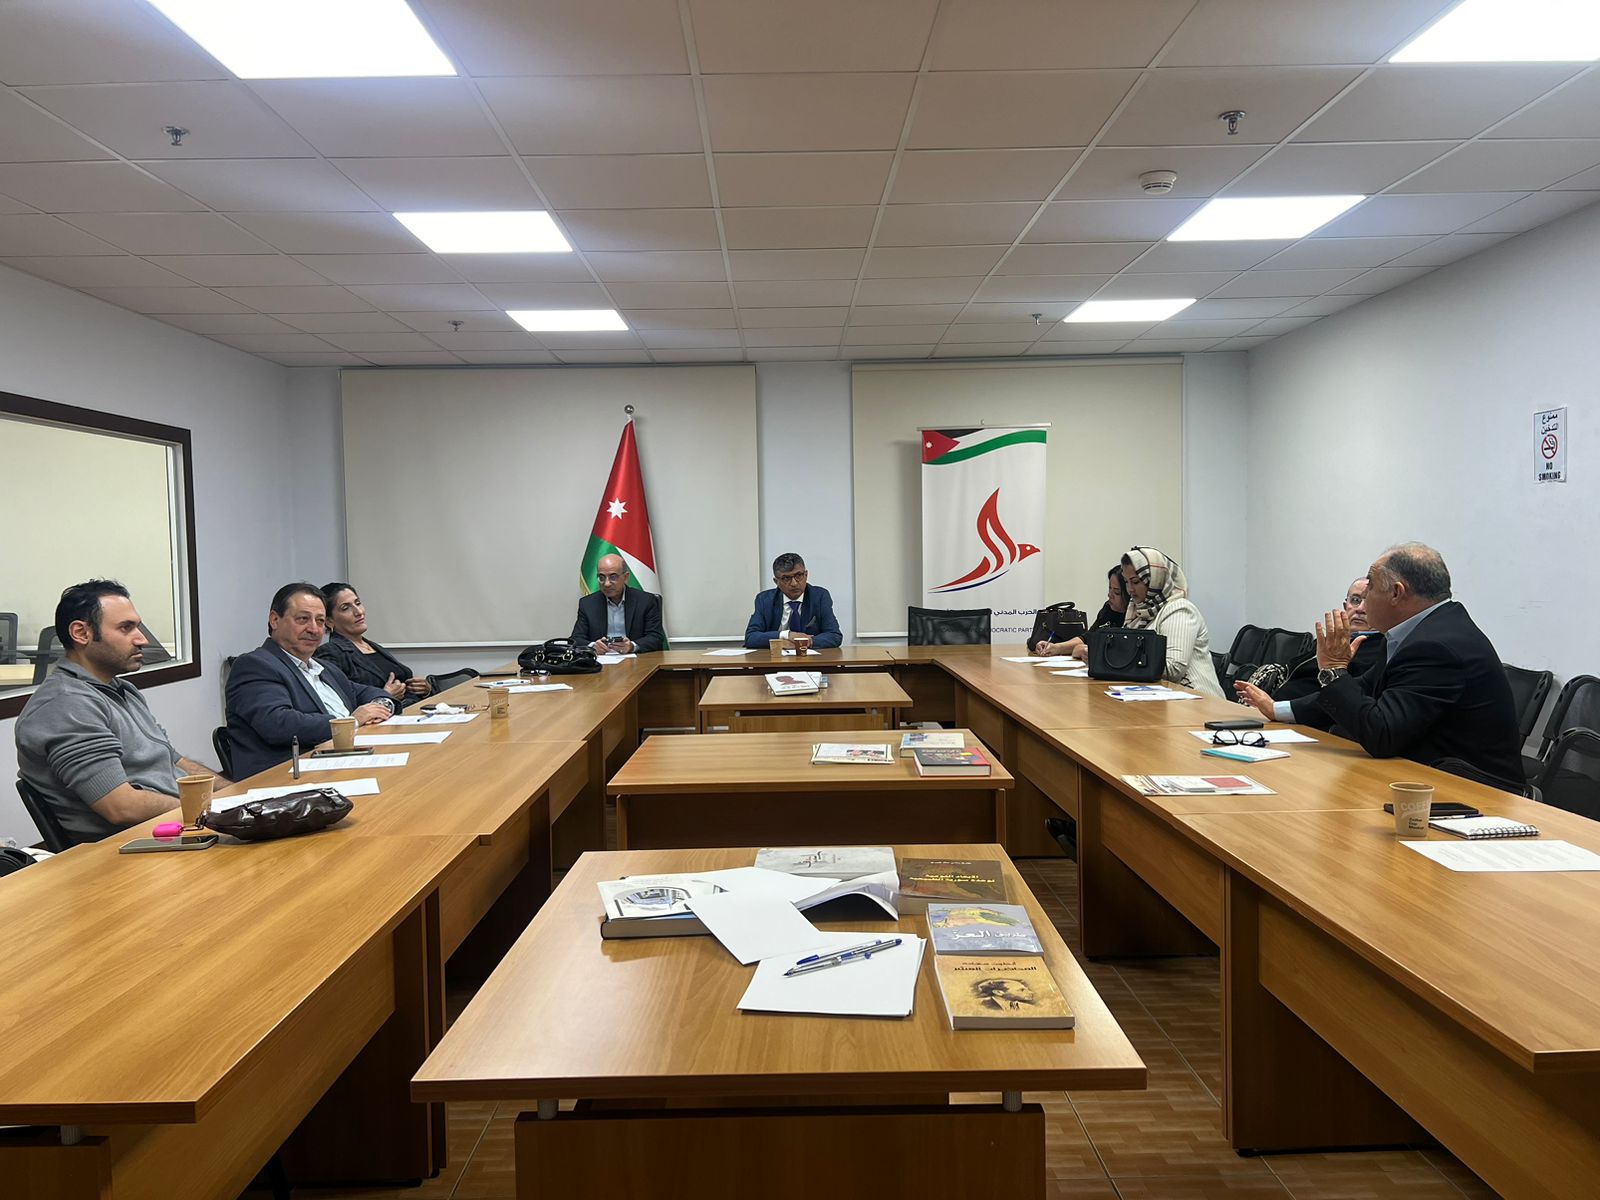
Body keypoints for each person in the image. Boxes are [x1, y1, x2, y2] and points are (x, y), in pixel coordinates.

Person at [1235, 543, 1522, 786]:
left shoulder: (1436, 646)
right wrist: (1278, 709)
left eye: (1369, 588)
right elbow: (1363, 688)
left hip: (1472, 794)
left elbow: (1381, 734)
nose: (1362, 603)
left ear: (1396, 593)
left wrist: (1334, 669)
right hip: (1423, 777)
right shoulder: (1417, 631)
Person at [15, 580, 227, 843]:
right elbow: (121, 807)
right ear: (81, 633)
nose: (142, 639)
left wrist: (234, 794)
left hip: (179, 827)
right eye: (126, 628)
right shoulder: (65, 705)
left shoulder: (121, 690)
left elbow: (172, 760)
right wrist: (208, 813)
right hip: (132, 847)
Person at [225, 582, 395, 779]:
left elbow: (364, 692)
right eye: (303, 619)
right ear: (275, 620)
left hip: (344, 763)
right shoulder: (255, 665)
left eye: (320, 621)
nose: (314, 629)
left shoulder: (323, 667)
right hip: (289, 777)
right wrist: (351, 722)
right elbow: (278, 723)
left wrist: (381, 706)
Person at [1045, 547, 1225, 699]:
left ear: (1155, 579)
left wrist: (1106, 660)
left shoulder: (1179, 609)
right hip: (1155, 697)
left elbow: (1172, 670)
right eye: (1127, 582)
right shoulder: (1137, 611)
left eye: (1136, 582)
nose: (1130, 589)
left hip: (1196, 701)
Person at [1269, 576, 1385, 707]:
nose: (1360, 609)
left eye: (1370, 602)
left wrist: (1279, 709)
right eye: (1355, 600)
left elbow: (1348, 696)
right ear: (1345, 606)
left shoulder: (1382, 648)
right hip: (1274, 706)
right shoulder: (1330, 639)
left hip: (1303, 714)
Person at [316, 583, 432, 709]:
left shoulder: (372, 646)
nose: (358, 612)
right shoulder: (329, 653)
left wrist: (425, 690)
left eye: (358, 603)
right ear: (329, 621)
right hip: (384, 718)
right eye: (345, 608)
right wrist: (384, 696)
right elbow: (339, 703)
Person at [743, 553, 842, 650]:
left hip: (810, 657)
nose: (794, 583)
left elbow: (834, 635)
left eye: (798, 575)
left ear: (806, 575)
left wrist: (806, 641)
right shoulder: (765, 599)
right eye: (786, 578)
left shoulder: (819, 596)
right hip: (775, 657)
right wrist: (786, 635)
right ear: (776, 581)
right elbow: (751, 637)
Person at [571, 553, 666, 654]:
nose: (606, 583)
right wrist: (593, 646)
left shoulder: (646, 601)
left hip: (636, 659)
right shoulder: (588, 604)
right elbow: (576, 638)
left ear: (625, 577)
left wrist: (632, 646)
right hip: (600, 660)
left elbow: (656, 638)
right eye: (602, 577)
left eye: (613, 577)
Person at [1034, 566, 1126, 656]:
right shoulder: (1108, 608)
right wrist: (1056, 647)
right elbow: (1087, 638)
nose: (1110, 595)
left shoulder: (1133, 617)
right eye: (1110, 588)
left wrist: (1092, 651)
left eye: (1117, 592)